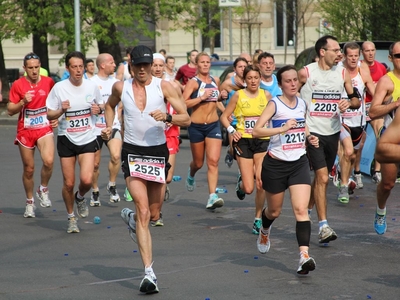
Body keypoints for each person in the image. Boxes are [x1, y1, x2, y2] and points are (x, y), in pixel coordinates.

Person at [101, 45, 190, 294]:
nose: (142, 69)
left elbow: (187, 118)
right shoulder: (121, 87)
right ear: (131, 65)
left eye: (146, 64)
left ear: (152, 65)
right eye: (137, 64)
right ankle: (149, 274)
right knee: (142, 210)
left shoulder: (164, 87)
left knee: (153, 213)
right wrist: (110, 126)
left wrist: (168, 117)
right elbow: (109, 106)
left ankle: (130, 218)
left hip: (156, 152)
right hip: (132, 152)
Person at [253, 64, 318, 275]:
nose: (292, 83)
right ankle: (264, 229)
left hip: (298, 162)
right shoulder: (275, 104)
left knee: (301, 210)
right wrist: (281, 129)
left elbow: (302, 125)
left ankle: (304, 256)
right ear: (280, 85)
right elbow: (256, 131)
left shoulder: (302, 104)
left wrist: (309, 136)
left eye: (295, 80)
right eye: (287, 81)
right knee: (274, 211)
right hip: (276, 164)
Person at [298, 35, 360, 244]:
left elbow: (356, 99)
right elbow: (290, 96)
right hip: (312, 132)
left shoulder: (342, 73)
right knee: (323, 178)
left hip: (332, 131)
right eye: (335, 50)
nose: (339, 53)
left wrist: (348, 103)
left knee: (320, 178)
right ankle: (323, 226)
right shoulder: (306, 73)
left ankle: (306, 210)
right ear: (322, 52)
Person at [46, 51, 102, 233]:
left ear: (84, 67)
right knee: (68, 183)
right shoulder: (59, 88)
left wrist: (98, 108)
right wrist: (61, 110)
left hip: (87, 136)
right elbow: (49, 114)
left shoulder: (92, 87)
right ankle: (71, 218)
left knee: (86, 180)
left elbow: (101, 106)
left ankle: (80, 197)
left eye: (80, 66)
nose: (78, 70)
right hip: (67, 137)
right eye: (74, 67)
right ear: (68, 68)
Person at [220, 65, 271, 234]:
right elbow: (224, 117)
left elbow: (273, 117)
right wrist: (232, 131)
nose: (253, 81)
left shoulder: (266, 95)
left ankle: (258, 218)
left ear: (260, 79)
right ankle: (240, 186)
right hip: (243, 141)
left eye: (256, 78)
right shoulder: (238, 95)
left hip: (261, 140)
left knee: (261, 182)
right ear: (245, 80)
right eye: (250, 78)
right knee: (249, 188)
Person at [7, 52, 56, 218]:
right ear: (24, 68)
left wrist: (57, 117)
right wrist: (22, 102)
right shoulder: (18, 85)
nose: (34, 71)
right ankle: (29, 202)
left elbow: (56, 104)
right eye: (30, 68)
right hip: (25, 130)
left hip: (44, 128)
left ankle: (43, 188)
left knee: (48, 161)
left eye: (37, 67)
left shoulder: (49, 82)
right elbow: (10, 110)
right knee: (29, 169)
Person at [183, 52, 227, 209]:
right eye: (202, 62)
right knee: (198, 163)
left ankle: (212, 196)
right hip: (196, 126)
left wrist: (222, 97)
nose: (206, 64)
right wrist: (200, 98)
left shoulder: (216, 80)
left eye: (208, 62)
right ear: (197, 64)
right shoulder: (193, 83)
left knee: (213, 161)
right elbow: (183, 103)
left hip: (213, 125)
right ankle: (191, 173)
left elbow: (216, 101)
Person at [336, 42, 375, 203]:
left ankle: (343, 174)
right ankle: (344, 187)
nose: (353, 59)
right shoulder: (338, 70)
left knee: (353, 156)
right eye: (349, 55)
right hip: (341, 119)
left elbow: (373, 91)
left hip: (359, 120)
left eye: (355, 56)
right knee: (349, 152)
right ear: (344, 56)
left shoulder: (362, 70)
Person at [368, 41, 400, 235]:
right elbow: (373, 111)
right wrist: (394, 104)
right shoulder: (387, 81)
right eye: (398, 56)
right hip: (390, 138)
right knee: (388, 183)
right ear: (391, 58)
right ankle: (381, 210)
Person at [90, 53, 122, 206]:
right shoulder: (90, 83)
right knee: (94, 164)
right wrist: (95, 108)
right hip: (94, 128)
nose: (114, 65)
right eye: (111, 62)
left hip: (112, 125)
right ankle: (95, 190)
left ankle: (112, 185)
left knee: (116, 156)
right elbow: (84, 104)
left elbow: (121, 103)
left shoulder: (116, 83)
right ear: (102, 65)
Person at [362, 41, 388, 184]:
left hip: (374, 106)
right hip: (360, 106)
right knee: (358, 143)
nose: (370, 53)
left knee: (380, 134)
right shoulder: (359, 67)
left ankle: (377, 171)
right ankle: (354, 171)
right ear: (362, 52)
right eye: (367, 51)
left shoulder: (381, 67)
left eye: (372, 50)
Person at [219, 57, 248, 168]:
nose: (242, 69)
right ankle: (230, 152)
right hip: (234, 121)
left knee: (244, 155)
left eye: (244, 66)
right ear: (235, 69)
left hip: (248, 122)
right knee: (235, 151)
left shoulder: (252, 81)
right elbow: (217, 100)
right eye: (240, 67)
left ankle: (242, 178)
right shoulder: (227, 83)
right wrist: (226, 113)